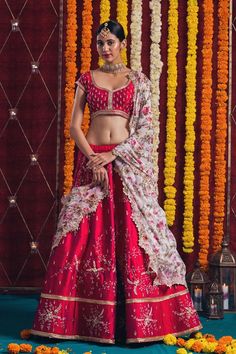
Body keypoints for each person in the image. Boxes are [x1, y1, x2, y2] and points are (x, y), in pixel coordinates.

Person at [31, 20, 202, 344]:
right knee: (79, 236)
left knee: (136, 237)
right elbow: (74, 127)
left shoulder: (137, 80)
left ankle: (143, 320)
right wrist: (93, 157)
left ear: (122, 44)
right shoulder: (86, 79)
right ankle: (74, 321)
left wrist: (114, 155)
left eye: (110, 42)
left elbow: (146, 130)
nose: (105, 48)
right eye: (100, 43)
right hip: (91, 160)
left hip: (123, 162)